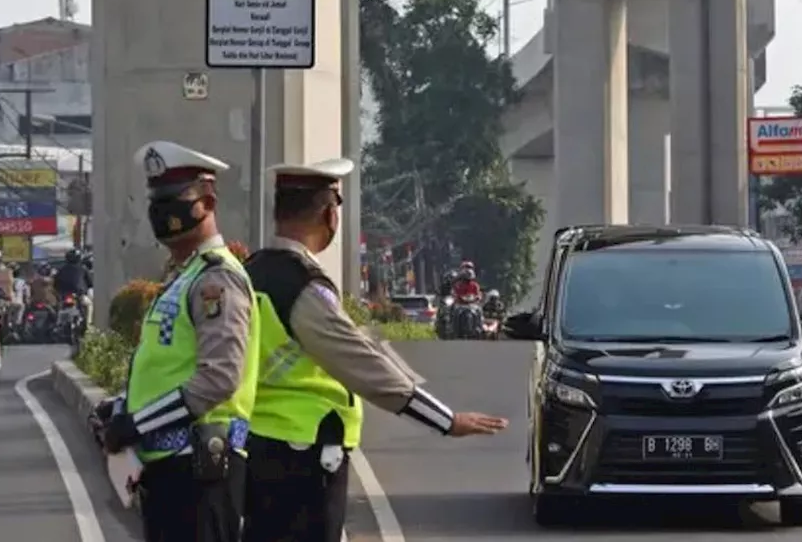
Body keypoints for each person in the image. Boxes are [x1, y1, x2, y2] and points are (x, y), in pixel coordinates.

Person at [243, 159, 508, 542]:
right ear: (330, 214)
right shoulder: (303, 287)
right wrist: (445, 420)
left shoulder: (251, 272)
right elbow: (363, 365)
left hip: (258, 449)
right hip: (302, 457)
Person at [101, 140, 261, 542]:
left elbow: (219, 378)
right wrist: (121, 407)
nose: (162, 213)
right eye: (156, 202)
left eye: (174, 200)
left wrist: (138, 423)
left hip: (201, 472)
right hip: (170, 471)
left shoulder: (215, 279)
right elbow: (168, 365)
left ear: (207, 201)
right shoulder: (183, 278)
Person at [55, 247, 95, 324]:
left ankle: (58, 324)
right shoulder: (83, 269)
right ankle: (88, 325)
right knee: (89, 305)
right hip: (78, 295)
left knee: (57, 308)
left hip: (64, 296)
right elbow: (90, 284)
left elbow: (56, 284)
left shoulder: (62, 269)